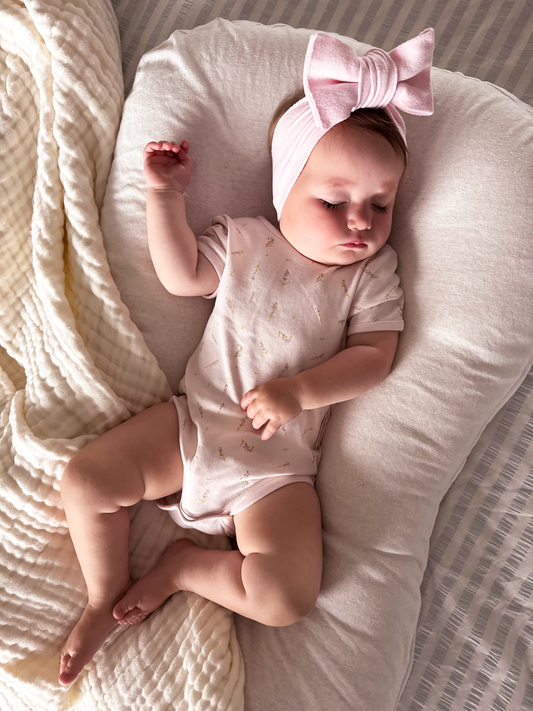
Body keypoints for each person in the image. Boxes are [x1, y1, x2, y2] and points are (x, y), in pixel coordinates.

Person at [58, 28, 434, 686]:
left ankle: (185, 568)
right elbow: (180, 275)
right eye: (334, 201)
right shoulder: (246, 243)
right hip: (193, 425)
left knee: (285, 598)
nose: (361, 222)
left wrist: (302, 391)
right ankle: (103, 595)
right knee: (85, 482)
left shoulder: (369, 278)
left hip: (276, 472)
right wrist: (165, 198)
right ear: (286, 190)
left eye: (380, 204)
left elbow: (376, 355)